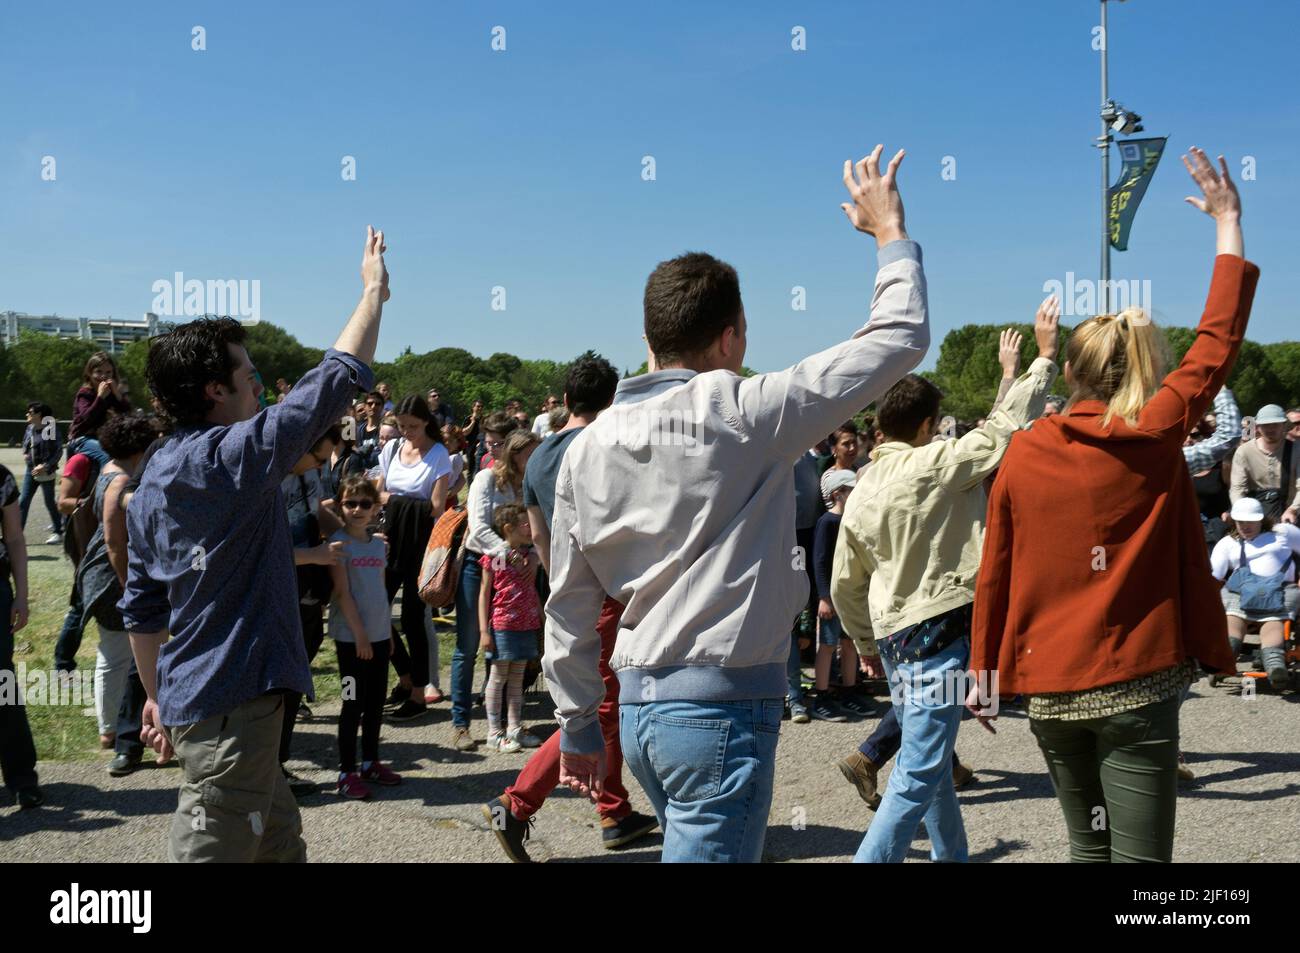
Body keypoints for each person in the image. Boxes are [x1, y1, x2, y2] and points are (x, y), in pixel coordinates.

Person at [544, 144, 929, 862]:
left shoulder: (588, 447)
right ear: (731, 336)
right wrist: (889, 236)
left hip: (639, 707)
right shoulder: (747, 409)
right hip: (720, 705)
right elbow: (898, 338)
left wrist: (576, 720)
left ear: (648, 341)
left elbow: (567, 598)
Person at [970, 148, 1255, 863]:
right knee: (1142, 868)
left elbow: (994, 570)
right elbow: (1217, 341)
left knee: (1086, 852)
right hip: (1137, 683)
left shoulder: (1025, 449)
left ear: (1067, 368)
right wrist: (1228, 222)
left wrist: (981, 672)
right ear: (1144, 369)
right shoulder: (1154, 433)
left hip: (1049, 690)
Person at [120, 225, 389, 862]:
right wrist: (374, 293)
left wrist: (158, 695)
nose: (260, 384)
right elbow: (334, 381)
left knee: (276, 843)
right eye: (250, 372)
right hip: (231, 709)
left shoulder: (156, 471)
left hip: (204, 700)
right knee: (214, 845)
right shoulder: (227, 460)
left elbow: (142, 607)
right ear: (216, 388)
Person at [832, 298, 1059, 863]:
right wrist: (1044, 359)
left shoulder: (858, 492)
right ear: (930, 426)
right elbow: (1004, 428)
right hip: (940, 639)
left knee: (926, 765)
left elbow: (844, 584)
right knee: (918, 772)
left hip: (892, 642)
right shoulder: (938, 464)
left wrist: (862, 644)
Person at [481, 353, 657, 859]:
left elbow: (539, 535)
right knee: (598, 709)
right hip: (610, 592)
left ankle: (614, 811)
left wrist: (561, 586)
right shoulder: (606, 445)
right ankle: (514, 804)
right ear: (612, 399)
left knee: (606, 704)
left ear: (565, 398)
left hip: (567, 589)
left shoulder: (537, 457)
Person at [74, 413, 158, 774]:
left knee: (112, 654)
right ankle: (111, 729)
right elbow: (114, 540)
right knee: (117, 657)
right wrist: (127, 583)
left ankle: (111, 728)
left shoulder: (105, 470)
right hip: (112, 579)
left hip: (98, 575)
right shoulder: (122, 479)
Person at [451, 429, 540, 751]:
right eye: (529, 454)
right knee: (470, 643)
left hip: (519, 566)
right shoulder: (486, 479)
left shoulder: (530, 483)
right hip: (482, 563)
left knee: (506, 656)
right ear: (513, 453)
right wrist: (511, 553)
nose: (534, 460)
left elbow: (539, 526)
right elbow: (478, 526)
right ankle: (461, 724)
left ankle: (505, 725)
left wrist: (532, 557)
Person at [376, 395, 452, 719]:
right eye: (402, 427)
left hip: (421, 545)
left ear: (426, 422)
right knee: (376, 613)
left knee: (412, 620)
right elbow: (377, 492)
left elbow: (436, 507)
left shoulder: (438, 454)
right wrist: (397, 499)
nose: (407, 432)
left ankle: (419, 694)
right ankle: (406, 677)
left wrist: (393, 499)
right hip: (389, 542)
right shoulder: (391, 449)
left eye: (413, 426)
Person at [280, 425, 347, 791]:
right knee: (281, 679)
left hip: (305, 589)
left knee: (296, 671)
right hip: (276, 592)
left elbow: (317, 513)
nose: (321, 465)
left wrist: (354, 535)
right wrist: (315, 555)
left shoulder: (310, 472)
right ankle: (271, 766)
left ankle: (277, 760)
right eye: (318, 456)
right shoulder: (266, 481)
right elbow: (258, 549)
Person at [327, 476, 401, 798]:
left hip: (379, 639)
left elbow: (381, 591)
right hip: (350, 642)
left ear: (375, 509)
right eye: (350, 503)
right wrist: (359, 637)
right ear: (341, 507)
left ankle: (370, 762)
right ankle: (346, 772)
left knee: (375, 704)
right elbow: (343, 595)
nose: (358, 509)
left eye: (365, 504)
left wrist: (387, 634)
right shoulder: (339, 545)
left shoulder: (377, 545)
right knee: (351, 703)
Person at [1210, 497, 1299, 688]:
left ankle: (1275, 667)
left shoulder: (1283, 533)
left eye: (1250, 521)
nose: (1245, 526)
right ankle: (1224, 659)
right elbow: (1214, 576)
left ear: (1261, 519)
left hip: (1280, 591)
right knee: (1233, 620)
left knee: (1273, 622)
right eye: (1240, 522)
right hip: (1240, 593)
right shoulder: (1227, 544)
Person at [478, 503, 543, 752]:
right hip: (503, 625)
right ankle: (494, 732)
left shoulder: (529, 557)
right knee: (498, 677)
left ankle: (515, 728)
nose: (529, 528)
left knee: (517, 678)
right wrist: (484, 630)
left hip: (526, 624)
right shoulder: (495, 559)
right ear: (508, 528)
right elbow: (485, 593)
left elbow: (531, 590)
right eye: (525, 524)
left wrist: (541, 615)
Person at [808, 469, 872, 722]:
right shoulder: (827, 522)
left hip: (850, 596)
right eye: (852, 490)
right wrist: (823, 596)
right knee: (826, 645)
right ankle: (821, 696)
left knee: (849, 644)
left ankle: (849, 690)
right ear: (838, 494)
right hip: (831, 598)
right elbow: (819, 561)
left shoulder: (853, 521)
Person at [0, 458, 40, 809]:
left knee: (2, 684)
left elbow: (14, 537)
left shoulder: (1, 479)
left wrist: (21, 595)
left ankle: (21, 776)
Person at [53, 450, 99, 674]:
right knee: (81, 604)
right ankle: (63, 664)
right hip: (85, 538)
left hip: (109, 535)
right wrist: (98, 501)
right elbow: (63, 503)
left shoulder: (113, 453)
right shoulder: (81, 459)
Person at [1231, 403, 1299, 523]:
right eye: (1266, 425)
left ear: (1284, 426)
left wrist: (1293, 509)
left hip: (1290, 515)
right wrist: (1242, 513)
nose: (1270, 429)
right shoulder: (1244, 451)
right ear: (1257, 427)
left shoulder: (1296, 450)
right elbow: (1237, 488)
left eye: (1275, 425)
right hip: (1256, 515)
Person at [67, 351, 130, 467]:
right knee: (107, 456)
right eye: (98, 372)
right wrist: (100, 397)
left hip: (101, 437)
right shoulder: (84, 393)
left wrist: (117, 394)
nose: (103, 376)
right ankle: (105, 485)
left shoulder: (110, 393)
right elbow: (87, 418)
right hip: (81, 438)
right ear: (89, 373)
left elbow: (127, 413)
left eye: (108, 372)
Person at [20, 402, 63, 543]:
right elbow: (25, 445)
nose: (27, 414)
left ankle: (58, 531)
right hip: (30, 471)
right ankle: (17, 534)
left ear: (39, 414)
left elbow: (57, 451)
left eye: (30, 412)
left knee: (49, 502)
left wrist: (45, 465)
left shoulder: (49, 428)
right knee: (23, 501)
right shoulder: (30, 428)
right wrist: (26, 454)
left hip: (46, 472)